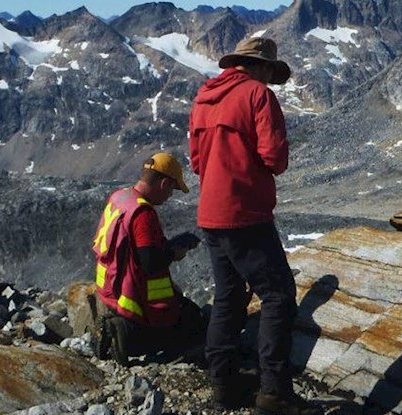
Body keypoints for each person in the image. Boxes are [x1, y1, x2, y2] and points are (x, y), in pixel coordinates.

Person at [188, 37, 319, 414]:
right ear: (260, 67)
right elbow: (275, 158)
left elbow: (197, 162)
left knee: (228, 296)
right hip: (244, 213)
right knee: (278, 296)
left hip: (210, 214)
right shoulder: (258, 96)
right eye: (269, 73)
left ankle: (223, 385)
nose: (270, 81)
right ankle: (274, 393)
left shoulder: (204, 97)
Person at [91, 152, 205, 366]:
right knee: (194, 322)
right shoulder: (144, 214)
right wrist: (174, 253)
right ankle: (127, 335)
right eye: (172, 188)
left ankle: (120, 325)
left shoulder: (120, 197)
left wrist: (169, 244)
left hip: (111, 292)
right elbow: (150, 263)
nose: (171, 195)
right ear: (163, 183)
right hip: (133, 300)